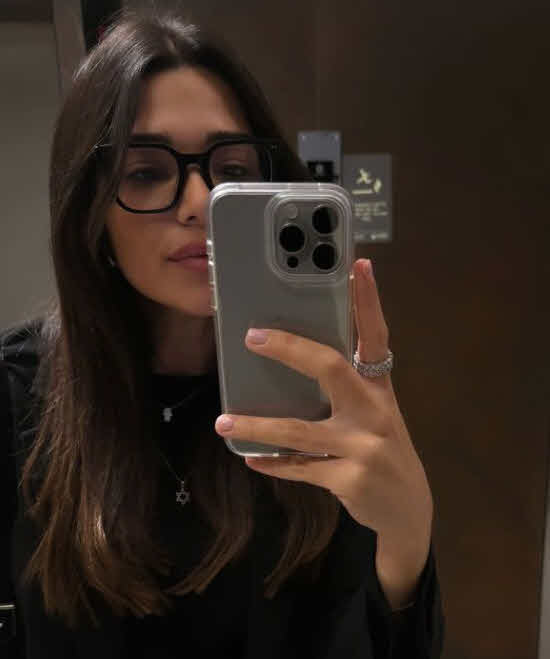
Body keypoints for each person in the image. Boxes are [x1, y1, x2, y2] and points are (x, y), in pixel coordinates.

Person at [1, 7, 444, 658]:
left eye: (232, 168)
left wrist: (406, 540)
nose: (200, 202)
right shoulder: (19, 396)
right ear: (89, 206)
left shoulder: (319, 389)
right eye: (146, 171)